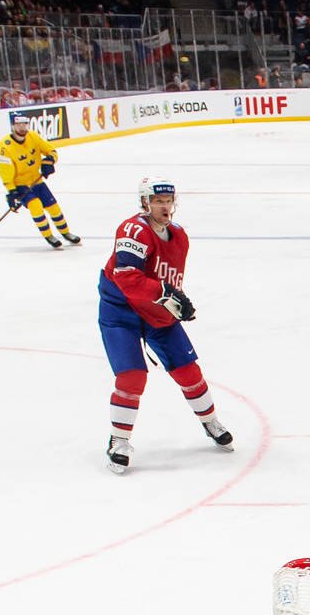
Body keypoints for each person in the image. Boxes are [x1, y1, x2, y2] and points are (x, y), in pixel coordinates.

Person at [97, 178, 234, 473]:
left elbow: (168, 279)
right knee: (132, 376)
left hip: (154, 310)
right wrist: (165, 294)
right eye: (158, 201)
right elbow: (126, 277)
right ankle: (118, 441)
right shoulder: (133, 230)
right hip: (120, 312)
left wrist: (175, 300)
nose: (165, 206)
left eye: (168, 200)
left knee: (189, 371)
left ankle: (210, 421)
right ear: (145, 203)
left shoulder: (179, 236)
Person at [0, 113, 80, 249]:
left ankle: (66, 233)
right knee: (36, 206)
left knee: (53, 207)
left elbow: (51, 150)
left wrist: (50, 160)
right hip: (21, 185)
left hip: (37, 181)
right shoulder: (5, 146)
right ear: (12, 126)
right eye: (18, 125)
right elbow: (5, 172)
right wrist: (12, 192)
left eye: (24, 124)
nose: (22, 128)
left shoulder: (33, 136)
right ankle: (48, 235)